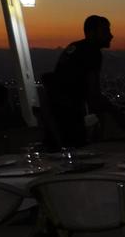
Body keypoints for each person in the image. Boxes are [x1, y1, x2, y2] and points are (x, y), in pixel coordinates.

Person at [47, 14, 115, 148]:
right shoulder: (92, 52)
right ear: (92, 33)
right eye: (105, 31)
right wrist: (113, 114)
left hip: (56, 111)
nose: (111, 36)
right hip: (69, 114)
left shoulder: (75, 47)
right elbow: (93, 92)